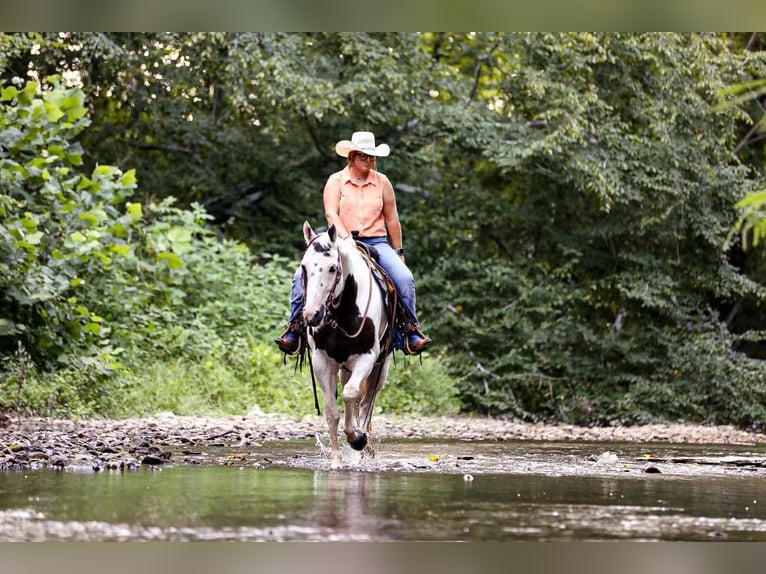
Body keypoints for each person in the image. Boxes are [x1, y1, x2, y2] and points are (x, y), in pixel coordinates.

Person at [275, 130, 432, 356]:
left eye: (371, 156)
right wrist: (347, 240)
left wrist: (398, 251)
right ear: (352, 156)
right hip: (340, 240)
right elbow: (331, 213)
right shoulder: (336, 181)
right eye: (363, 156)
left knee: (404, 278)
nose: (368, 160)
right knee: (303, 274)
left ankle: (408, 331)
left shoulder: (382, 183)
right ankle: (295, 330)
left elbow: (392, 219)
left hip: (377, 242)